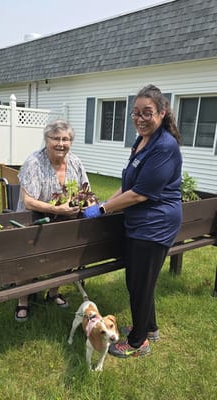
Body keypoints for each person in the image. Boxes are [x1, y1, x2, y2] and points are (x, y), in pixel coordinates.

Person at [84, 84, 182, 358]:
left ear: (162, 113)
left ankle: (138, 343)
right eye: (135, 113)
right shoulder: (141, 141)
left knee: (139, 284)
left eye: (147, 113)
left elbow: (139, 194)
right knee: (141, 281)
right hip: (142, 224)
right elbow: (129, 185)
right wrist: (105, 204)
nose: (140, 118)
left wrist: (103, 211)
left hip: (156, 224)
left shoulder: (164, 146)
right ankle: (149, 328)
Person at [15, 119, 89, 321]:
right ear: (46, 139)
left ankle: (54, 292)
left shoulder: (75, 162)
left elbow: (85, 191)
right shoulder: (34, 162)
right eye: (55, 138)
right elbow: (28, 201)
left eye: (65, 139)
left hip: (64, 221)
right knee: (29, 261)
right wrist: (58, 209)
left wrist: (86, 203)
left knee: (64, 257)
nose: (61, 144)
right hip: (34, 221)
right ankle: (23, 300)